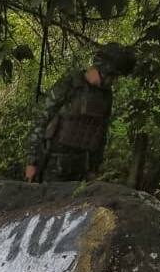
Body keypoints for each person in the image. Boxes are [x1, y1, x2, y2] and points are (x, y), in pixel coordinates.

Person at [24, 43, 137, 183]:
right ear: (103, 70)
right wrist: (32, 162)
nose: (114, 81)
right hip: (52, 162)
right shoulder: (70, 84)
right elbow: (41, 120)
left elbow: (100, 133)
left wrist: (93, 169)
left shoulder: (106, 96)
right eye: (113, 76)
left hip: (80, 165)